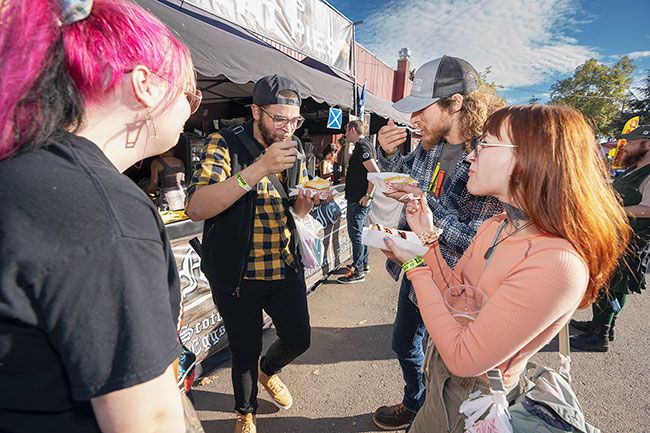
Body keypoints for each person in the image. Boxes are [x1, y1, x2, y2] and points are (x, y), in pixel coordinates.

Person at [0, 1, 201, 432]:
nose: (190, 109)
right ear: (145, 85)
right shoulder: (106, 215)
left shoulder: (22, 167)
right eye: (188, 94)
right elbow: (149, 422)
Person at [382, 104, 630, 433]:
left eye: (485, 144)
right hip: (440, 381)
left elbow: (463, 357)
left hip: (478, 402)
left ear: (531, 157)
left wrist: (414, 264)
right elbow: (453, 293)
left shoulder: (556, 263)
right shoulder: (497, 225)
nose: (471, 155)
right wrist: (426, 241)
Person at [372, 55, 504, 430]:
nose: (414, 119)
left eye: (421, 109)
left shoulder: (485, 156)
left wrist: (425, 218)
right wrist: (387, 154)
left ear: (456, 103)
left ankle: (432, 411)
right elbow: (410, 177)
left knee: (446, 362)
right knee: (402, 344)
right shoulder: (430, 144)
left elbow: (480, 239)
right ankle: (415, 403)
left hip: (456, 284)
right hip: (417, 269)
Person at [186, 75, 321, 433]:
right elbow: (197, 207)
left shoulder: (294, 148)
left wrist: (304, 204)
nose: (288, 128)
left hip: (285, 266)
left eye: (295, 121)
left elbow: (293, 203)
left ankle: (270, 370)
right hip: (237, 273)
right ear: (256, 111)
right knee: (243, 352)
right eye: (279, 119)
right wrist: (260, 167)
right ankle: (245, 411)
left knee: (299, 339)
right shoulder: (224, 142)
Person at [571, 125, 650, 352]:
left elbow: (648, 208)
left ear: (648, 144)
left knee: (614, 287)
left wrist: (614, 210)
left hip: (632, 241)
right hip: (615, 238)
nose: (626, 146)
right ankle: (601, 325)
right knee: (605, 283)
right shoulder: (634, 168)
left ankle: (602, 334)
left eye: (633, 142)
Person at [337, 120, 380, 283]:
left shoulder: (363, 146)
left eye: (347, 131)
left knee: (356, 235)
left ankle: (358, 271)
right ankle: (363, 263)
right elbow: (348, 161)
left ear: (353, 129)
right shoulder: (362, 145)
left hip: (359, 199)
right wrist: (347, 144)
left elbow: (375, 173)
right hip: (358, 198)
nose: (345, 133)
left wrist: (368, 195)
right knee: (361, 234)